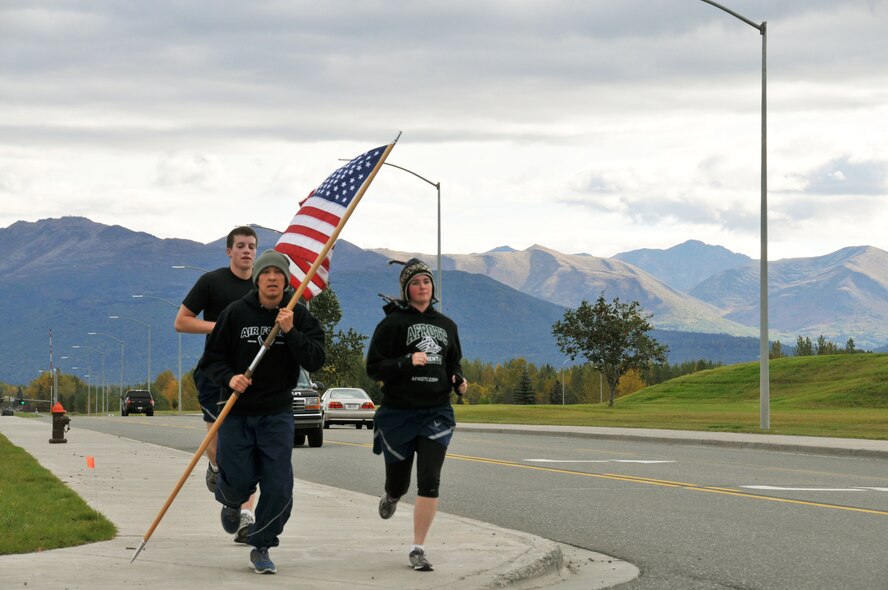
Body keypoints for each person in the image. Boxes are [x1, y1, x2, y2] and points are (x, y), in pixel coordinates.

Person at [200, 249, 325, 574]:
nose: (272, 278)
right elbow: (211, 361)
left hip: (277, 414)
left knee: (279, 486)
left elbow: (315, 359)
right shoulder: (235, 313)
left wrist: (290, 331)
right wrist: (230, 377)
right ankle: (230, 498)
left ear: (286, 280)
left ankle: (262, 544)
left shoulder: (297, 314)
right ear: (257, 279)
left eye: (278, 273)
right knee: (240, 482)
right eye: (266, 273)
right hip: (237, 413)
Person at [365, 257, 468, 572]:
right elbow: (374, 368)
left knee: (430, 480)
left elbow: (453, 363)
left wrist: (458, 380)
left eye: (426, 281)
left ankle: (418, 548)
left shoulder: (447, 325)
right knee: (399, 482)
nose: (422, 287)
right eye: (415, 283)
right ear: (406, 289)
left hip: (436, 413)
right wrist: (406, 362)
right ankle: (392, 495)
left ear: (432, 287)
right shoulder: (392, 325)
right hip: (398, 413)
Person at [173, 225, 259, 542]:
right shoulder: (212, 282)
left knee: (250, 449)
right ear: (229, 251)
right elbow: (181, 321)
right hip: (215, 374)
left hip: (252, 376)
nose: (247, 250)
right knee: (218, 447)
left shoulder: (265, 284)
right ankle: (218, 472)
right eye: (240, 245)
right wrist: (219, 327)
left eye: (252, 246)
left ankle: (246, 517)